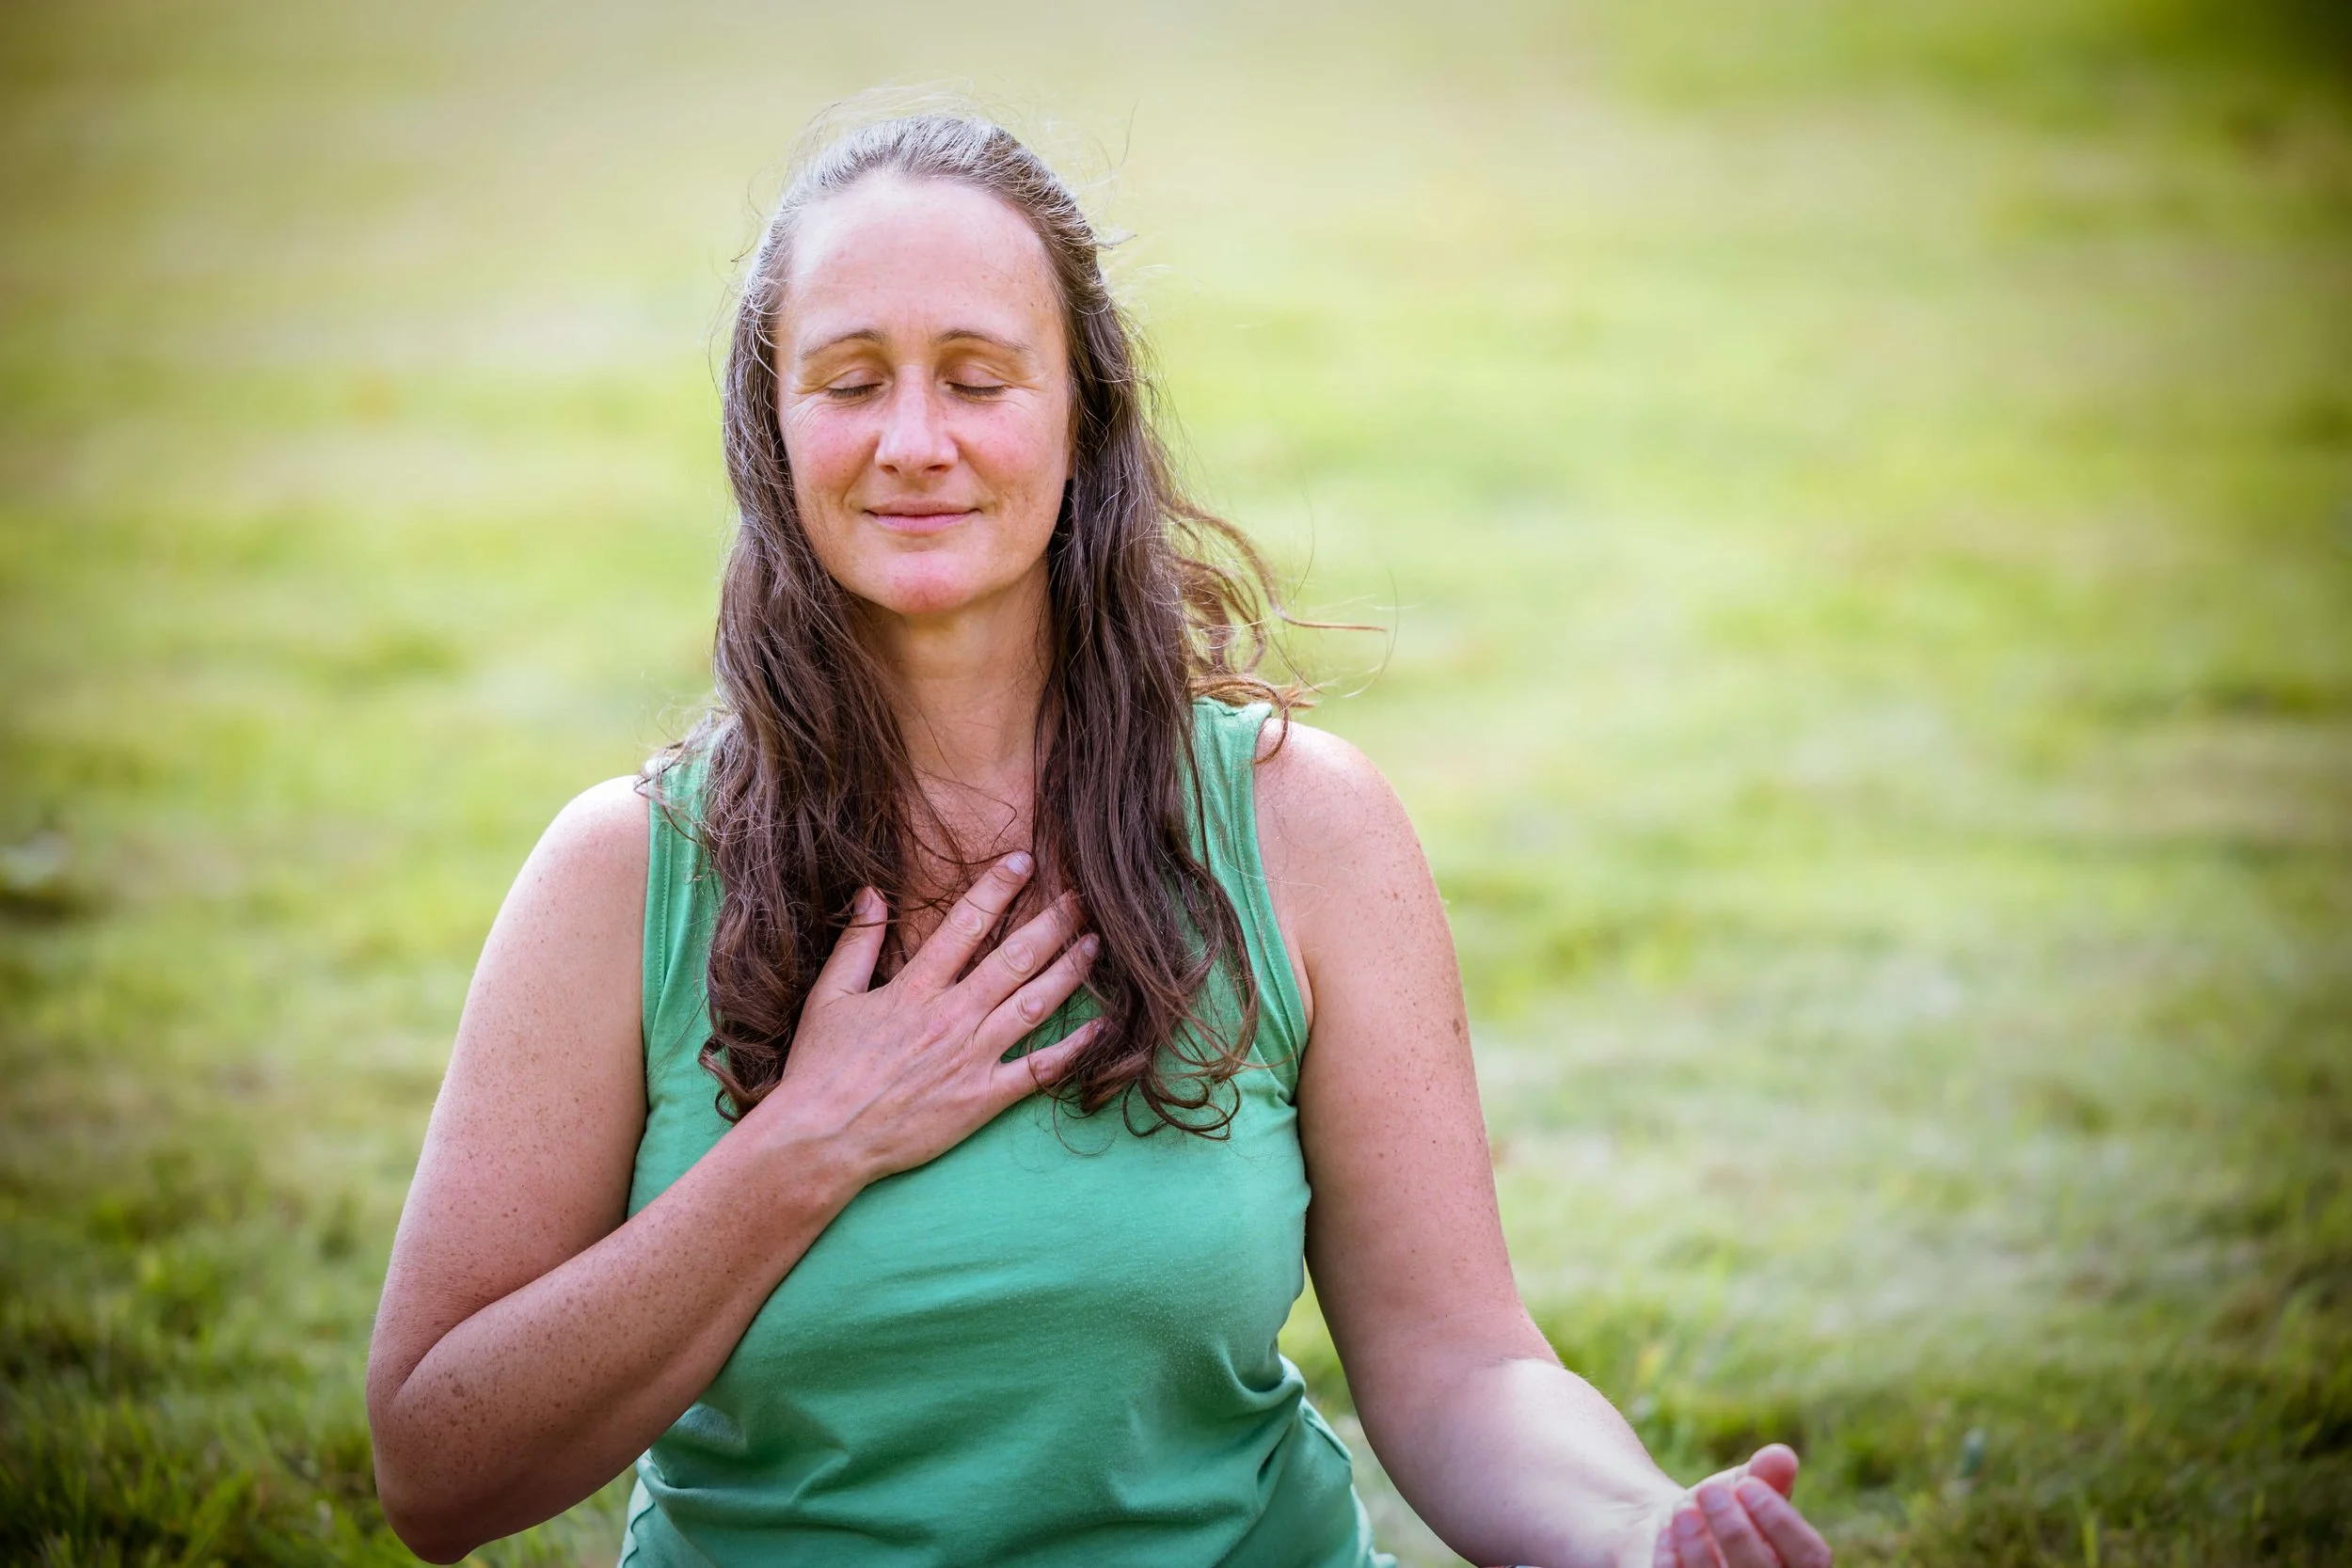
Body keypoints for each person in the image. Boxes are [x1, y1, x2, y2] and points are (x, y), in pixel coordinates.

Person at [364, 109, 1835, 1568]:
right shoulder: (624, 875)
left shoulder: (1299, 827)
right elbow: (435, 1467)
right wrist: (810, 1143)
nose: (914, 441)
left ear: (1086, 416)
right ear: (774, 430)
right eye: (851, 381)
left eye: (980, 378)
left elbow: (1458, 1359)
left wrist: (1636, 1528)